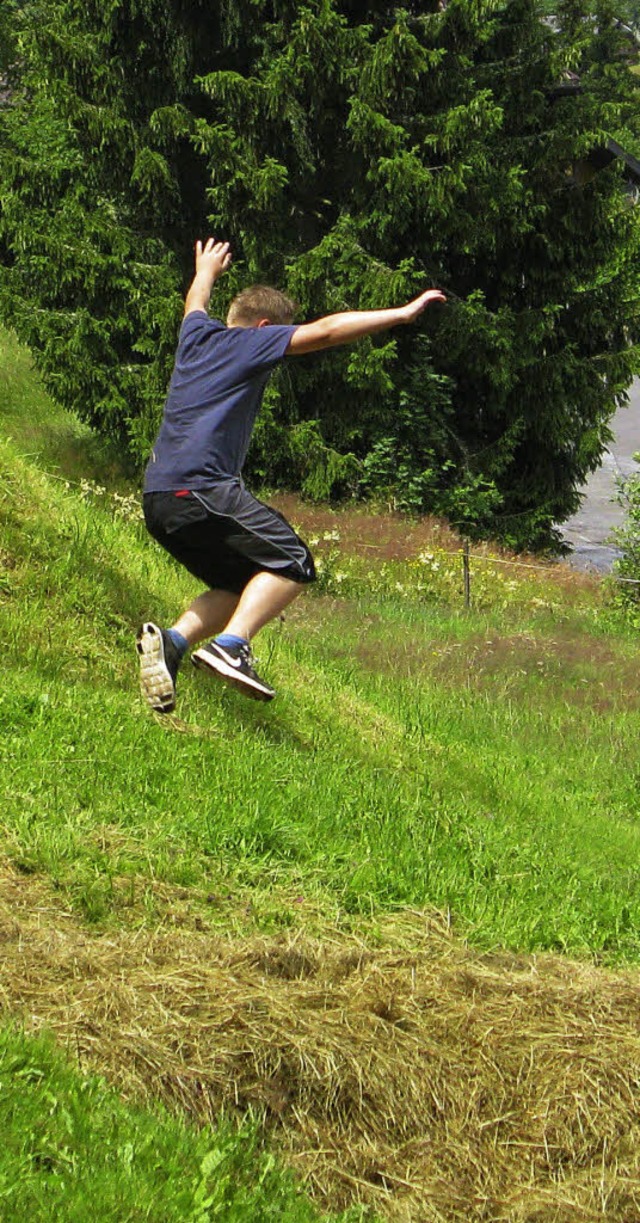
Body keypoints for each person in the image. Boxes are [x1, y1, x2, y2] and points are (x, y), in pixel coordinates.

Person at [137, 237, 445, 712]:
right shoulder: (249, 341)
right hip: (199, 486)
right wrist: (402, 314)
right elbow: (324, 332)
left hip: (158, 498)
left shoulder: (195, 338)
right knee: (293, 562)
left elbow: (195, 301)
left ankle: (173, 645)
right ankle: (231, 646)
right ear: (263, 329)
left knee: (242, 585)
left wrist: (207, 269)